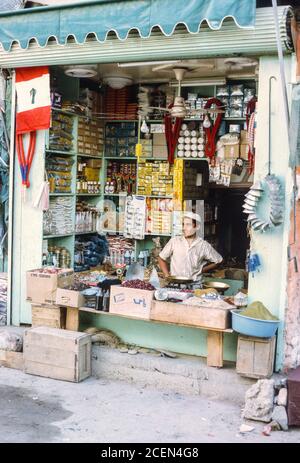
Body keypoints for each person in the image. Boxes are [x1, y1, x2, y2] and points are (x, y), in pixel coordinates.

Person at [158, 211, 223, 284]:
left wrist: (202, 270)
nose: (184, 228)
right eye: (183, 224)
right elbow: (161, 258)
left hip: (195, 285)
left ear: (197, 227)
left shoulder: (203, 245)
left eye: (188, 225)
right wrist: (167, 275)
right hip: (175, 284)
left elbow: (219, 260)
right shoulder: (174, 241)